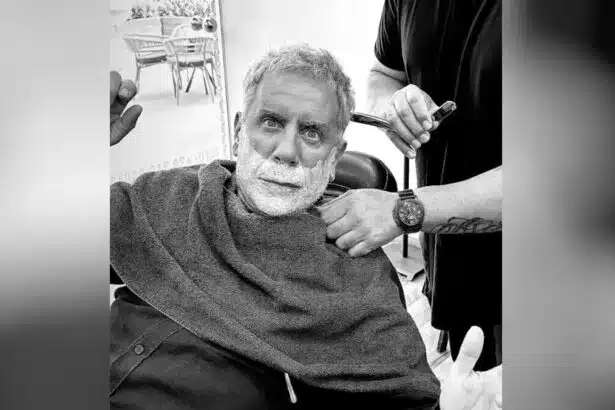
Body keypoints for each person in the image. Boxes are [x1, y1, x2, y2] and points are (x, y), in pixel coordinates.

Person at [110, 44, 500, 409]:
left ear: (335, 158)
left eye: (312, 133)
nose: (287, 152)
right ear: (238, 132)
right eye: (271, 123)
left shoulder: (356, 277)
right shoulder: (169, 195)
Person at [318, 0, 502, 371]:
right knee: (469, 379)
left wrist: (403, 210)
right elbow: (383, 74)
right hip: (451, 256)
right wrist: (393, 107)